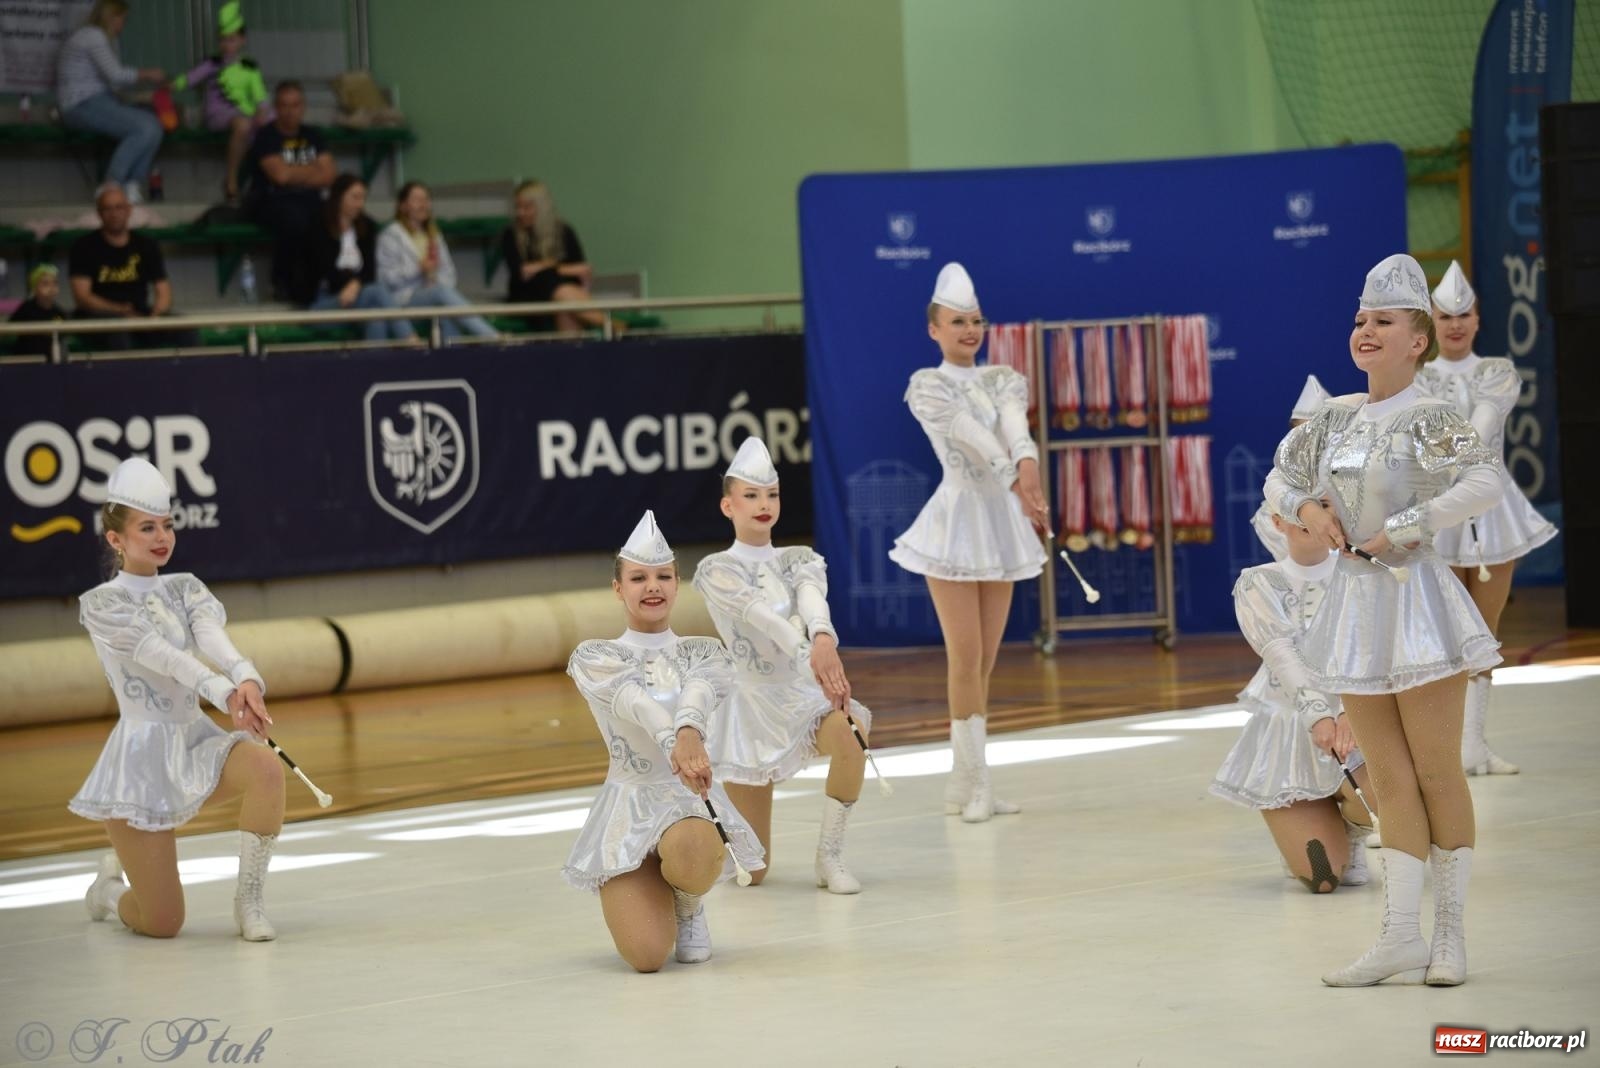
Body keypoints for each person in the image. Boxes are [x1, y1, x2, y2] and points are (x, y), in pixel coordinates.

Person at [1265, 253, 1503, 987]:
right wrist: (1305, 507)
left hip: (1418, 603)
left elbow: (1486, 479)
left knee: (1436, 771)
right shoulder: (1335, 417)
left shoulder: (1432, 415)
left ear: (1418, 341)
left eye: (1385, 322)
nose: (1366, 331)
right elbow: (1281, 474)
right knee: (1388, 779)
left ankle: (1451, 937)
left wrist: (1407, 526)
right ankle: (1400, 935)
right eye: (1361, 320)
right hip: (1355, 609)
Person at [74, 458, 285, 941]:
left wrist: (246, 678)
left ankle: (249, 903)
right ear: (116, 540)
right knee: (163, 922)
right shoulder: (104, 606)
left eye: (167, 525)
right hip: (140, 762)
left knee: (267, 770)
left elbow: (212, 639)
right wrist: (223, 691)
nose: (161, 536)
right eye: (146, 528)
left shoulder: (186, 587)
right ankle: (108, 891)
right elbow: (164, 657)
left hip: (193, 741)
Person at [563, 511, 765, 971]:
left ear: (677, 584)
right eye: (638, 578)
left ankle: (689, 902)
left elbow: (697, 690)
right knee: (647, 957)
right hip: (628, 808)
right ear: (619, 588)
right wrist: (671, 736)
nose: (652, 586)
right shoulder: (597, 658)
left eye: (662, 577)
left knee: (693, 849)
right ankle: (649, 885)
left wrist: (689, 732)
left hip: (684, 804)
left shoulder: (704, 652)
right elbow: (633, 700)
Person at [889, 262, 1047, 823]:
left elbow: (1010, 423)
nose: (969, 331)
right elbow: (969, 436)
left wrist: (1027, 463)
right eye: (957, 322)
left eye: (976, 321)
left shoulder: (1002, 377)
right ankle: (974, 781)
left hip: (1000, 524)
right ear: (934, 329)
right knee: (965, 657)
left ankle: (967, 780)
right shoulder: (927, 386)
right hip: (955, 521)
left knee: (986, 662)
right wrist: (1014, 475)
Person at [692, 437, 872, 893]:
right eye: (751, 496)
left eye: (771, 495)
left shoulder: (800, 559)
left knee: (852, 731)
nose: (763, 504)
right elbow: (762, 617)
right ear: (727, 506)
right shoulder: (717, 569)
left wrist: (825, 636)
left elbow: (812, 601)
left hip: (799, 697)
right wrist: (805, 650)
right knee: (754, 871)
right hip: (750, 707)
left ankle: (829, 858)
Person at [1418, 261, 1558, 776]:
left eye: (1465, 314)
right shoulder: (1418, 379)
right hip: (1440, 513)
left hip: (1492, 515)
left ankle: (1474, 746)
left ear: (1478, 320)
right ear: (1431, 321)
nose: (1455, 323)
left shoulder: (1496, 372)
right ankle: (1445, 751)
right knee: (1444, 639)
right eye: (1445, 315)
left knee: (1483, 633)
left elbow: (1477, 429)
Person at [1213, 511, 1374, 892]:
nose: (1310, 515)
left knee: (1392, 802)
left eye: (1321, 503)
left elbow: (1372, 649)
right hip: (1291, 732)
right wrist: (1318, 715)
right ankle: (1308, 837)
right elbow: (1281, 654)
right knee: (1323, 880)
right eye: (1297, 507)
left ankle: (1352, 829)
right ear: (1277, 520)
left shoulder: (1363, 574)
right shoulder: (1258, 582)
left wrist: (1351, 710)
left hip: (1359, 719)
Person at [56, 0, 165, 203]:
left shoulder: (97, 38)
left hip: (94, 101)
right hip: (81, 105)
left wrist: (142, 97)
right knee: (144, 127)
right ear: (112, 18)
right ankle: (112, 185)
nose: (123, 26)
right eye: (122, 20)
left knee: (154, 125)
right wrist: (148, 74)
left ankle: (132, 185)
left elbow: (113, 86)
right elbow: (115, 76)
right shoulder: (93, 36)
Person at [68, 184, 197, 351]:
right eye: (107, 208)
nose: (114, 214)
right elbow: (83, 297)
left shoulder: (146, 245)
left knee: (185, 328)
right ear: (99, 213)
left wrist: (157, 315)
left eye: (119, 207)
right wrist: (120, 311)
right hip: (99, 318)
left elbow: (163, 289)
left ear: (129, 210)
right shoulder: (83, 246)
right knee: (118, 332)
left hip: (140, 315)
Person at [169, 1, 270, 204]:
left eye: (232, 40)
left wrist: (262, 111)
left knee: (270, 125)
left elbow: (260, 95)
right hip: (218, 113)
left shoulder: (250, 67)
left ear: (242, 40)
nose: (227, 45)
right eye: (223, 40)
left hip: (245, 111)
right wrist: (170, 85)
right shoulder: (212, 63)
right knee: (243, 125)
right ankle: (232, 179)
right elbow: (190, 78)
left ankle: (262, 183)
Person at [245, 80, 334, 304]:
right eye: (284, 105)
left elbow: (330, 175)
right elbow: (280, 177)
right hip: (271, 201)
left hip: (309, 200)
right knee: (294, 220)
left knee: (334, 217)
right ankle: (283, 283)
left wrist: (294, 173)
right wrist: (313, 169)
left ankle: (327, 281)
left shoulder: (313, 135)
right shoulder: (266, 136)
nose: (290, 111)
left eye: (295, 105)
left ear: (303, 107)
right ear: (276, 107)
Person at [377, 182, 497, 340]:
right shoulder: (390, 236)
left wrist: (434, 279)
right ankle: (492, 337)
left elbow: (450, 274)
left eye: (426, 199)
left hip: (433, 296)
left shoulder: (434, 235)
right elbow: (386, 279)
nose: (423, 205)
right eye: (417, 200)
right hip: (402, 301)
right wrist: (418, 269)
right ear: (403, 206)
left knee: (445, 309)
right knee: (441, 294)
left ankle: (454, 357)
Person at [309, 173, 414, 342]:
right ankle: (411, 340)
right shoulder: (318, 228)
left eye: (363, 198)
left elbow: (370, 270)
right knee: (376, 290)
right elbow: (325, 272)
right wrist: (353, 285)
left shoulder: (367, 227)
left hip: (360, 301)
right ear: (339, 197)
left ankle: (377, 366)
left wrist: (355, 285)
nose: (360, 204)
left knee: (376, 314)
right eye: (355, 197)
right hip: (327, 303)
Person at [500, 180, 603, 332]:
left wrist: (542, 267)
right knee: (553, 285)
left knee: (564, 304)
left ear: (541, 208)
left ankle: (574, 351)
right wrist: (563, 269)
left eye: (527, 207)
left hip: (562, 298)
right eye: (518, 207)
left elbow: (582, 271)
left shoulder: (564, 231)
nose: (520, 213)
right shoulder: (511, 235)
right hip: (528, 297)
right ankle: (610, 325)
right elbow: (521, 274)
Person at [1248, 375, 1330, 563]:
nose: (1311, 441)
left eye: (1321, 433)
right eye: (1303, 433)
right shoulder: (1271, 508)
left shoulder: (1351, 481)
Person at [6, 264, 69, 358]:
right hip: (27, 359)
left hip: (51, 360)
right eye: (45, 284)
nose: (51, 288)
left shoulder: (59, 312)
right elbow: (9, 332)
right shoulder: (25, 309)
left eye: (55, 283)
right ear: (34, 287)